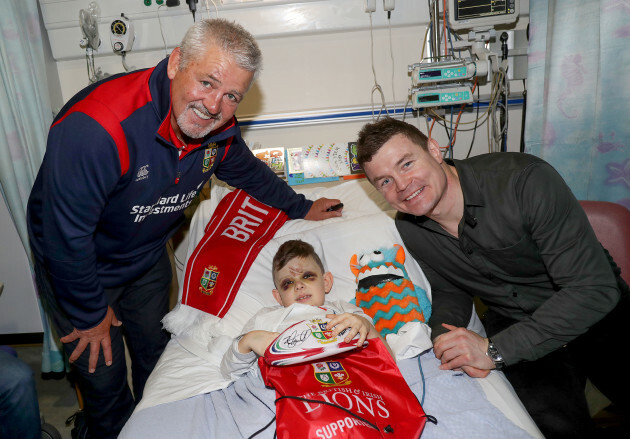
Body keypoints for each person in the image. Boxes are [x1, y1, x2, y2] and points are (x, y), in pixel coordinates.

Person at [26, 19, 341, 439]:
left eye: (231, 95)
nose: (214, 106)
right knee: (104, 382)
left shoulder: (218, 127)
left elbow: (248, 172)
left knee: (157, 357)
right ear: (176, 63)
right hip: (81, 266)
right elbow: (66, 238)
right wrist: (90, 315)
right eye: (207, 83)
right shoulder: (97, 128)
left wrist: (302, 207)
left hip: (146, 253)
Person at [355, 117, 630, 438]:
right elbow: (449, 288)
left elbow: (593, 290)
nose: (401, 185)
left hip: (595, 314)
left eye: (406, 164)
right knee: (549, 426)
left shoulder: (524, 181)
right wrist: (443, 341)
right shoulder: (410, 227)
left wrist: (494, 350)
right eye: (385, 181)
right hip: (515, 319)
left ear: (434, 149)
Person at [221, 240, 390, 378]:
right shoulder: (266, 317)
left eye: (307, 276)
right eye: (288, 283)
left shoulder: (342, 309)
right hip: (291, 384)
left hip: (347, 377)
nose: (299, 285)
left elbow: (388, 359)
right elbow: (228, 371)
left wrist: (364, 326)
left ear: (326, 282)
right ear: (278, 297)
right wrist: (248, 342)